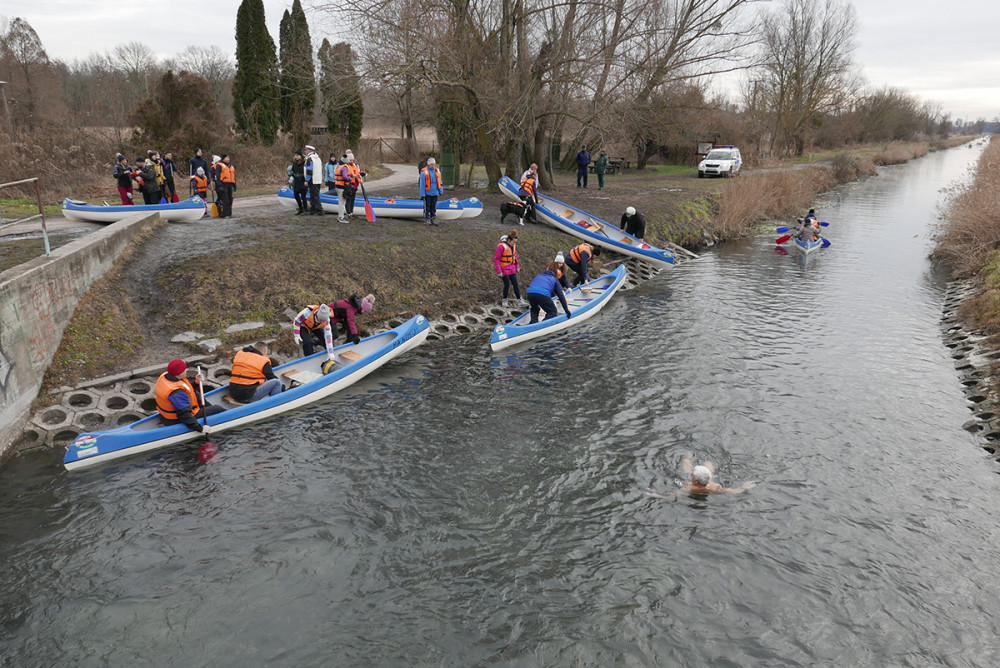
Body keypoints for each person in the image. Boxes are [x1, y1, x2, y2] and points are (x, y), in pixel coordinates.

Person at [155, 358, 226, 433]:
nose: (186, 371)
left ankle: (210, 412)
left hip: (166, 415)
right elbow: (184, 415)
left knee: (199, 396)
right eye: (184, 370)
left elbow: (185, 388)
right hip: (176, 420)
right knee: (217, 408)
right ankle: (227, 416)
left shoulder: (166, 377)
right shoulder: (177, 393)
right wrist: (200, 429)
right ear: (179, 374)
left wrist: (196, 382)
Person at [525, 255, 572, 324]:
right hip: (542, 293)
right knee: (552, 312)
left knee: (535, 309)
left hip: (530, 292)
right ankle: (541, 326)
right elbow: (561, 296)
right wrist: (566, 310)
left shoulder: (539, 275)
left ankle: (533, 323)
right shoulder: (554, 279)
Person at [494, 230, 526, 308]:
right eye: (513, 242)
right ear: (508, 240)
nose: (514, 244)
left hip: (511, 268)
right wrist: (499, 271)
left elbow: (514, 256)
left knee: (515, 284)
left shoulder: (512, 246)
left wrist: (517, 266)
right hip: (504, 269)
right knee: (507, 284)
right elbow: (496, 259)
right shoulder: (501, 247)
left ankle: (519, 300)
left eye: (515, 242)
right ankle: (504, 300)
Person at [420, 157, 444, 226]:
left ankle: (433, 218)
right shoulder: (424, 172)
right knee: (427, 206)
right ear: (428, 164)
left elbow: (440, 182)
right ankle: (427, 219)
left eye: (434, 164)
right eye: (431, 165)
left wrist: (440, 190)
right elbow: (422, 184)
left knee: (433, 206)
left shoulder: (437, 171)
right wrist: (422, 194)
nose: (433, 166)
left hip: (435, 192)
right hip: (427, 193)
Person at [304, 144, 324, 216]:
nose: (305, 151)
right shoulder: (318, 159)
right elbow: (320, 168)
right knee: (313, 195)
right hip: (318, 179)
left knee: (315, 196)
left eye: (306, 150)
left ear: (309, 150)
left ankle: (320, 210)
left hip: (312, 180)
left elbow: (309, 170)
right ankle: (313, 210)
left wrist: (306, 180)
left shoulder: (309, 159)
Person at [216, 154, 236, 218]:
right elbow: (218, 177)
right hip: (223, 184)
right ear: (223, 159)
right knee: (225, 199)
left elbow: (233, 177)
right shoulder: (219, 166)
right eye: (227, 158)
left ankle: (229, 213)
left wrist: (234, 185)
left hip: (230, 184)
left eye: (228, 158)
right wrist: (219, 186)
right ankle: (225, 214)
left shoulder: (231, 166)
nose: (228, 159)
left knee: (230, 199)